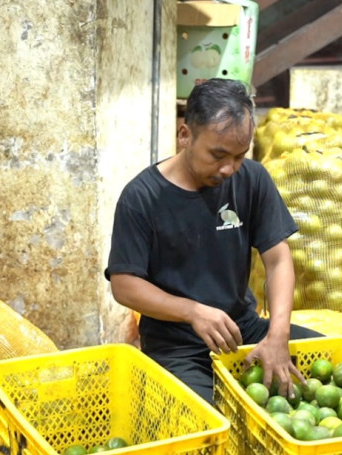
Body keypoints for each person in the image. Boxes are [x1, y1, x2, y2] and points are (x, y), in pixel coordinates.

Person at [104, 78, 321, 405]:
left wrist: (278, 334)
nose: (228, 168)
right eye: (218, 154)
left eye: (239, 156)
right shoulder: (142, 197)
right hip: (176, 347)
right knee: (215, 421)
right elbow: (125, 285)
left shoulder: (252, 179)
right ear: (184, 135)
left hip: (242, 330)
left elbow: (278, 260)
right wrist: (191, 312)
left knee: (330, 364)